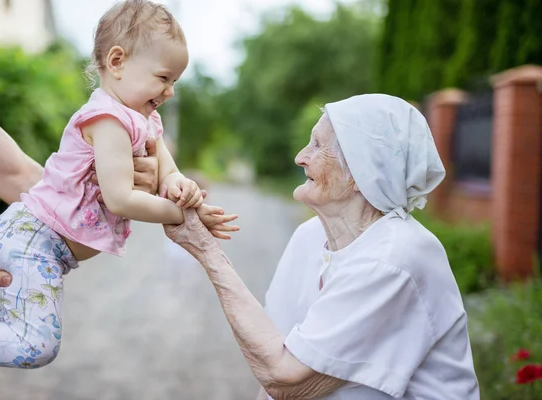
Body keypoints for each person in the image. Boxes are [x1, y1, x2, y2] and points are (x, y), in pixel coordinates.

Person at [0, 0, 238, 394]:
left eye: (175, 82)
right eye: (164, 77)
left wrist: (185, 193)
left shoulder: (144, 119)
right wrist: (180, 215)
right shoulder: (108, 120)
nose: (169, 91)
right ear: (117, 61)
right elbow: (120, 199)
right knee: (35, 344)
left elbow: (168, 172)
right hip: (32, 242)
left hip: (43, 248)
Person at [164, 94, 480, 399]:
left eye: (317, 146)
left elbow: (285, 379)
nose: (300, 157)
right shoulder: (309, 235)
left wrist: (208, 252)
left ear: (362, 171)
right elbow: (274, 354)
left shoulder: (394, 258)